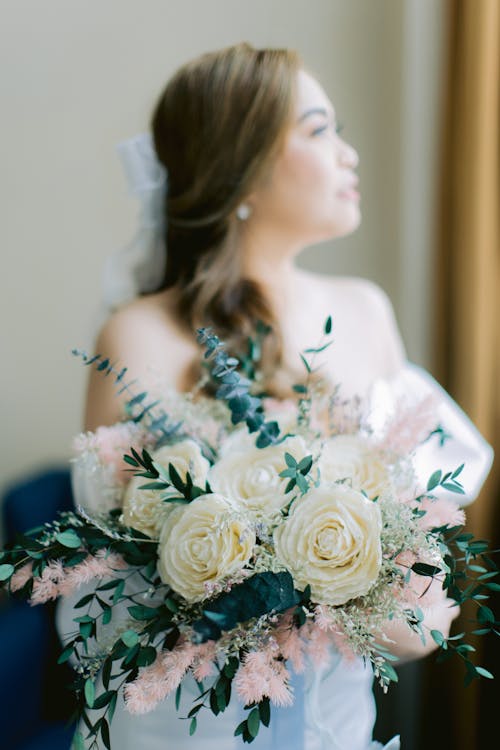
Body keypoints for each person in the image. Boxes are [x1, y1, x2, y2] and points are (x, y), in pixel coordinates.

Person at [56, 42, 493, 750]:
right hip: (185, 723)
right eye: (320, 131)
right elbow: (115, 574)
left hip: (335, 716)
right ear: (243, 164)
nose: (348, 155)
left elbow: (423, 526)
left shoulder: (365, 311)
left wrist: (408, 603)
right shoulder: (139, 335)